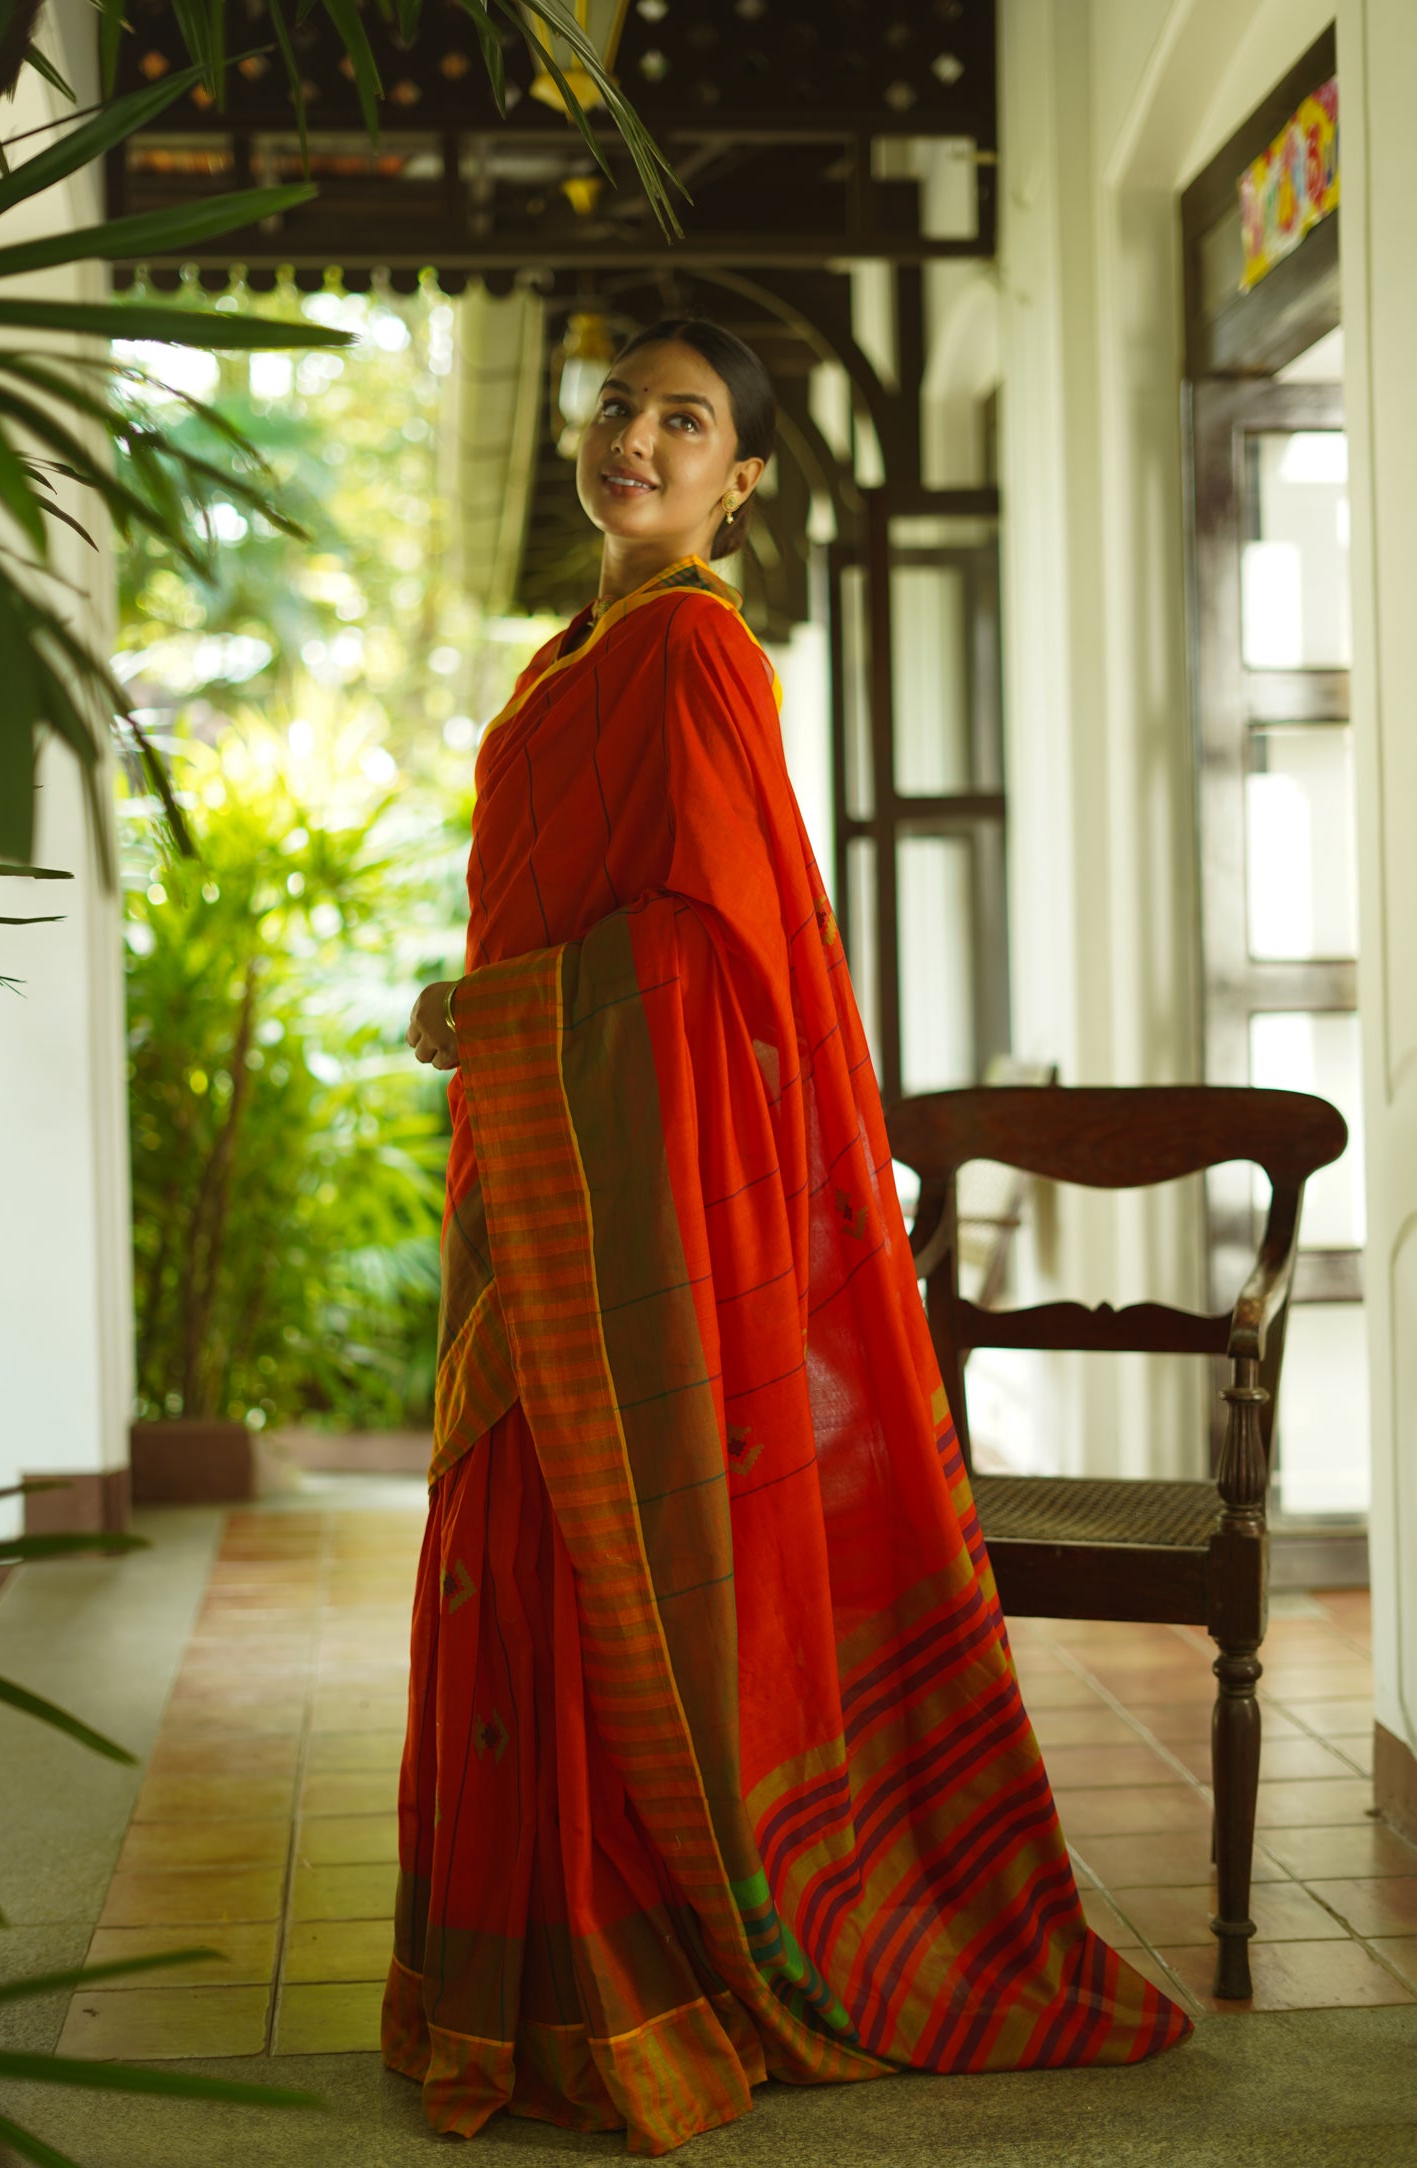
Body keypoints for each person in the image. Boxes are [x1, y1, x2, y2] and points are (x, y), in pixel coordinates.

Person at [387, 318, 1189, 2155]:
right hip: (547, 1170)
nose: (638, 442)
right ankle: (530, 1986)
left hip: (631, 1174)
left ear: (742, 482)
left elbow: (696, 956)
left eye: (686, 424)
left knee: (595, 1563)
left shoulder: (690, 659)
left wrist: (492, 1013)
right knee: (519, 1550)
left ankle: (631, 1983)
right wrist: (500, 1022)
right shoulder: (573, 657)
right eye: (619, 409)